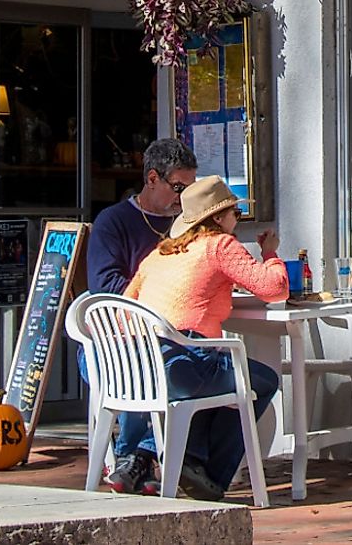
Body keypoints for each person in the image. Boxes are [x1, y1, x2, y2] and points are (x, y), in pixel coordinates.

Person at [124, 175, 287, 502]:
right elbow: (274, 289)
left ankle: (180, 460)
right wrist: (270, 254)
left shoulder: (159, 254)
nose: (236, 222)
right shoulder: (219, 245)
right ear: (218, 219)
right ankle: (208, 475)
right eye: (235, 215)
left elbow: (124, 308)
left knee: (218, 374)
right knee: (260, 380)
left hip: (138, 367)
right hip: (183, 365)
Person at [84, 137, 197, 495]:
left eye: (190, 190)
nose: (183, 199)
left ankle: (151, 459)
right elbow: (105, 286)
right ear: (152, 179)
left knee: (212, 366)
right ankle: (136, 455)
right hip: (114, 343)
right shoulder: (113, 222)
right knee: (147, 363)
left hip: (172, 337)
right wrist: (166, 290)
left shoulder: (190, 226)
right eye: (178, 188)